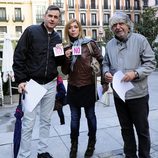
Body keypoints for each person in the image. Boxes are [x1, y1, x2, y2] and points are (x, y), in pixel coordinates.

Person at [102, 12, 156, 158]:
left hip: (138, 94)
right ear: (111, 28)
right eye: (114, 25)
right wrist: (106, 72)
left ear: (128, 25)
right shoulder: (109, 44)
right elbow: (105, 63)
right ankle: (130, 155)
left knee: (142, 130)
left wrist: (136, 73)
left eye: (121, 24)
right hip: (119, 96)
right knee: (125, 129)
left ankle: (145, 156)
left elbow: (151, 63)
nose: (118, 27)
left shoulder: (140, 40)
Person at [13, 5, 64, 158]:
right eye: (50, 16)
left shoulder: (57, 37)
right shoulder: (31, 31)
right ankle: (24, 155)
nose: (52, 19)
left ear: (58, 20)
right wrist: (21, 80)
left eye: (55, 17)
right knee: (28, 124)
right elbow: (19, 56)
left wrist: (64, 54)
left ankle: (42, 152)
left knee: (46, 121)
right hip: (32, 84)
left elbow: (58, 62)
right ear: (45, 16)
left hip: (50, 84)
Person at [61, 19, 103, 158]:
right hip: (73, 87)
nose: (73, 29)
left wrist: (104, 81)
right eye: (70, 28)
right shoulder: (65, 47)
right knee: (74, 119)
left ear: (80, 29)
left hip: (88, 86)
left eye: (75, 27)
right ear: (67, 30)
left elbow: (102, 61)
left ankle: (91, 143)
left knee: (90, 116)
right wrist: (67, 58)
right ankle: (74, 145)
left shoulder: (90, 44)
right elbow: (65, 71)